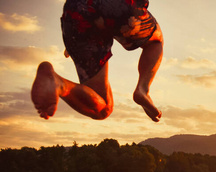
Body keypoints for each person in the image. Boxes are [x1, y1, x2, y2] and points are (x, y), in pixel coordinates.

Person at [31, 0, 163, 122]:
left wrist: (75, 43)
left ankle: (59, 83)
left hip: (77, 11)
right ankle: (143, 89)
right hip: (119, 4)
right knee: (156, 41)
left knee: (103, 108)